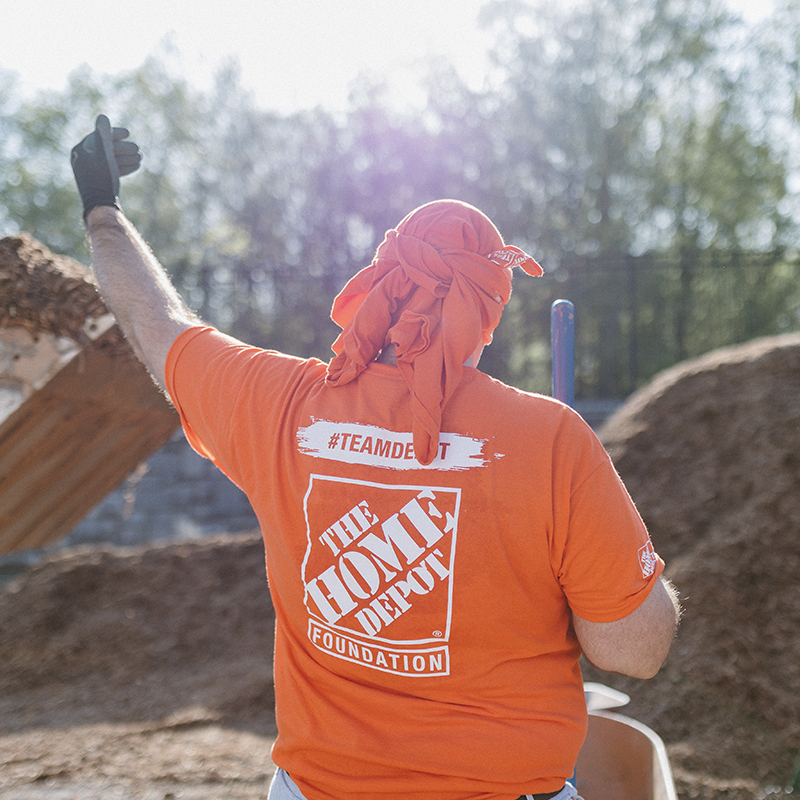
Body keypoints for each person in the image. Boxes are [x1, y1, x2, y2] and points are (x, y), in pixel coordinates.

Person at [70, 115, 679, 800]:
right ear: (486, 313)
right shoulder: (551, 440)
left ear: (381, 286)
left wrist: (103, 210)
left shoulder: (280, 404)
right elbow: (634, 649)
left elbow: (157, 324)